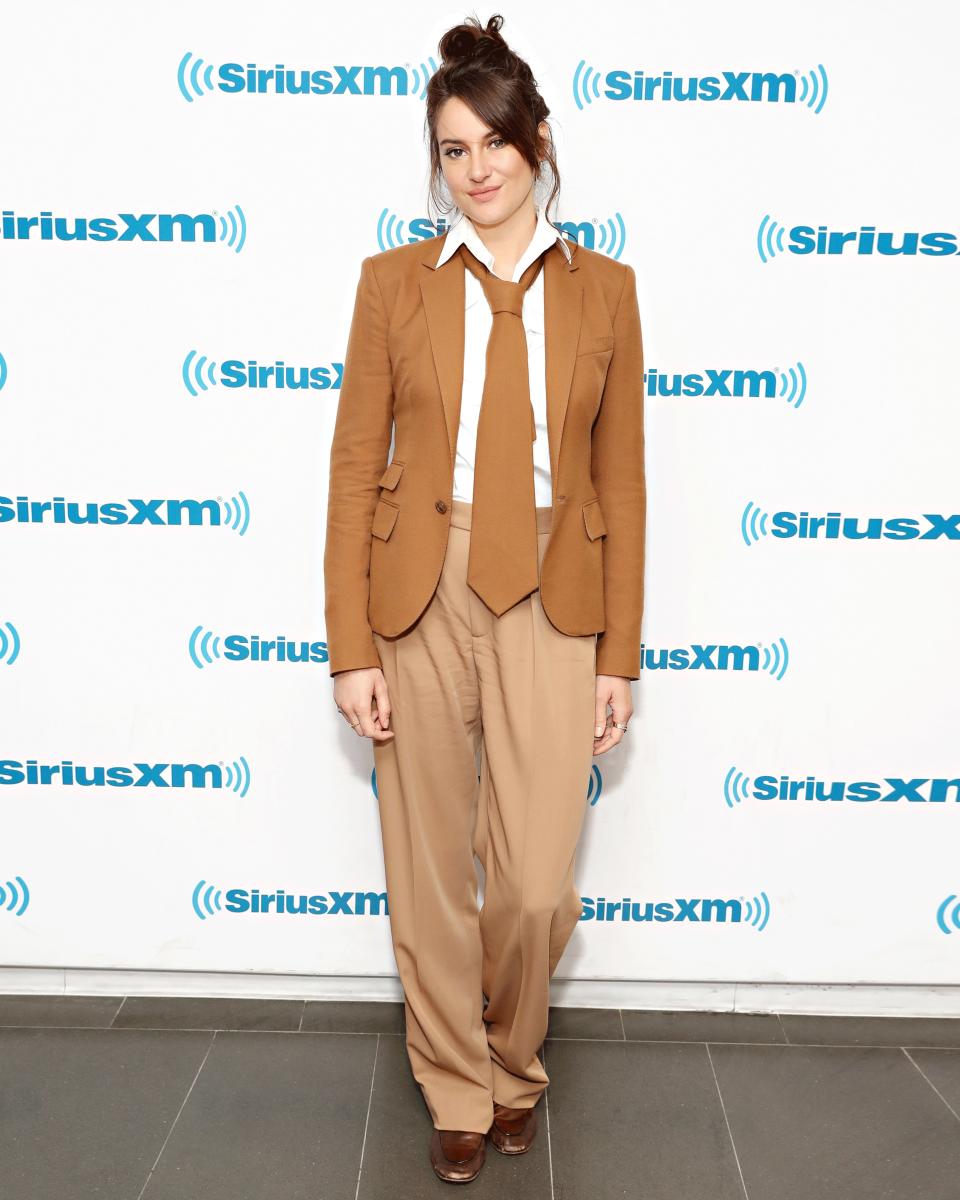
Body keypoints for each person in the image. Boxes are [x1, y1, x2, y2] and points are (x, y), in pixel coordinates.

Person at [324, 12, 646, 1184]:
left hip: (558, 586)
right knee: (424, 865)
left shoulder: (607, 291)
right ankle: (460, 1087)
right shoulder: (390, 285)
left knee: (530, 885)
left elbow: (623, 478)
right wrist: (348, 642)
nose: (478, 169)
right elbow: (355, 464)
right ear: (439, 163)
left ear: (537, 138)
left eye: (495, 141)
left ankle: (518, 1058)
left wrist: (622, 656)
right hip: (423, 586)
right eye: (454, 150)